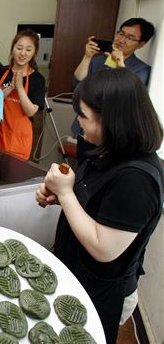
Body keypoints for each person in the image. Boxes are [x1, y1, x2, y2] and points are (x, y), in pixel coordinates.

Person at [36, 68, 163, 344]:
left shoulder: (137, 179)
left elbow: (103, 247)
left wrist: (67, 195)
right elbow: (97, 208)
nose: (78, 122)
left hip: (103, 290)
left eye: (84, 116)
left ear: (113, 120)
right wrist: (61, 196)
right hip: (77, 274)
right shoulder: (109, 148)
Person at [72, 18, 155, 165]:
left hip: (111, 135)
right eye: (121, 33)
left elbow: (128, 95)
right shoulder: (99, 60)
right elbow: (78, 84)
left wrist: (121, 65)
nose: (121, 40)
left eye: (130, 38)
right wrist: (87, 57)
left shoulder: (141, 70)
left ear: (141, 44)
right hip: (86, 129)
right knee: (82, 170)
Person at [0, 29, 46, 160]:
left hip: (19, 139)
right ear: (12, 48)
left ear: (34, 53)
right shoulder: (0, 71)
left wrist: (20, 88)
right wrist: (10, 87)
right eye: (19, 48)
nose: (22, 53)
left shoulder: (38, 79)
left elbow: (31, 111)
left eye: (28, 49)